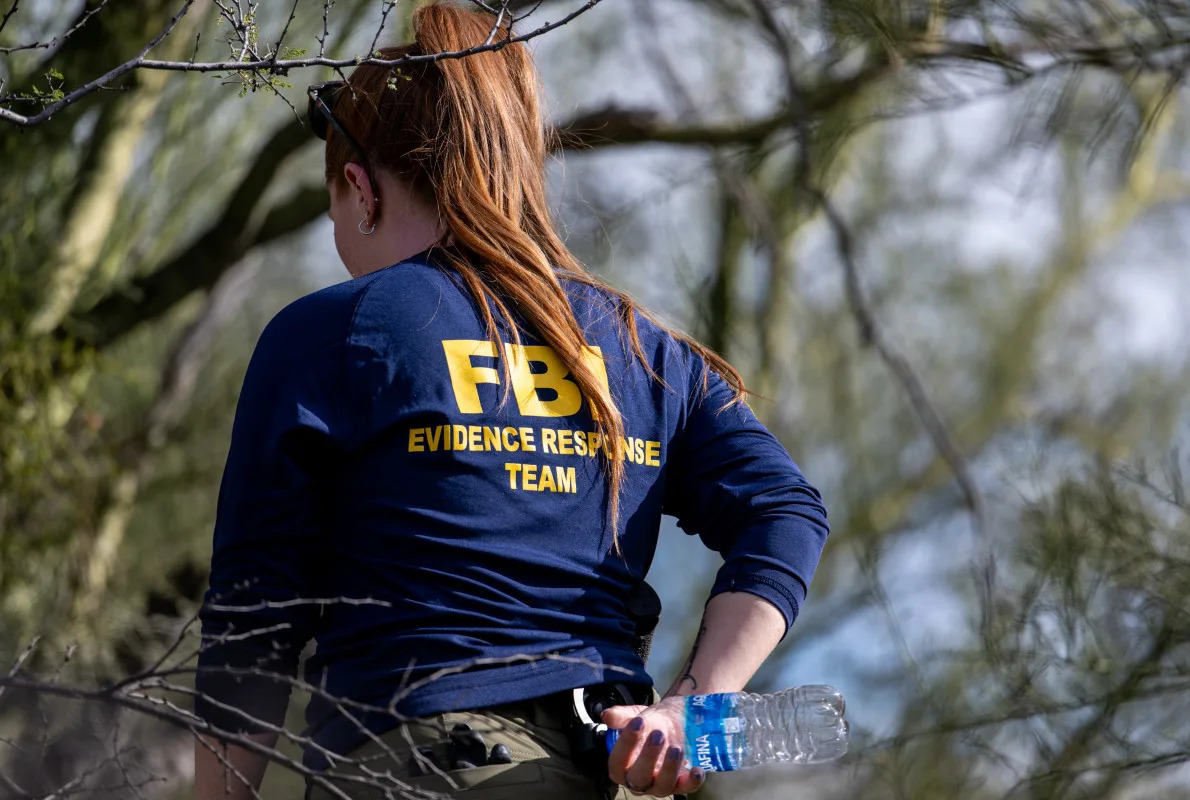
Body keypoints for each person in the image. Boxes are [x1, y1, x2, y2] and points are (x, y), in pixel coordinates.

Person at [192, 3, 829, 799]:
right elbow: (786, 512)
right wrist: (691, 706)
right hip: (601, 771)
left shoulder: (331, 332)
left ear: (360, 189)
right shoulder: (644, 348)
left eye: (334, 213)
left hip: (423, 768)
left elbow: (254, 615)